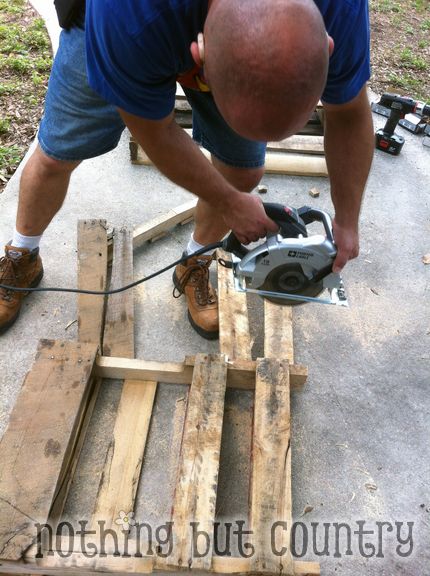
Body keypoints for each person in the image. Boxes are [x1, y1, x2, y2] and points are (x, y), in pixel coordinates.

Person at [0, 0, 374, 339]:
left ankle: (195, 259)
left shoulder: (340, 9)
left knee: (242, 170)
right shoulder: (126, 18)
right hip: (122, 27)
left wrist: (347, 219)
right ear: (201, 57)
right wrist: (228, 202)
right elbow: (154, 129)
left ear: (328, 44)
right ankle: (22, 254)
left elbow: (349, 114)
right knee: (56, 153)